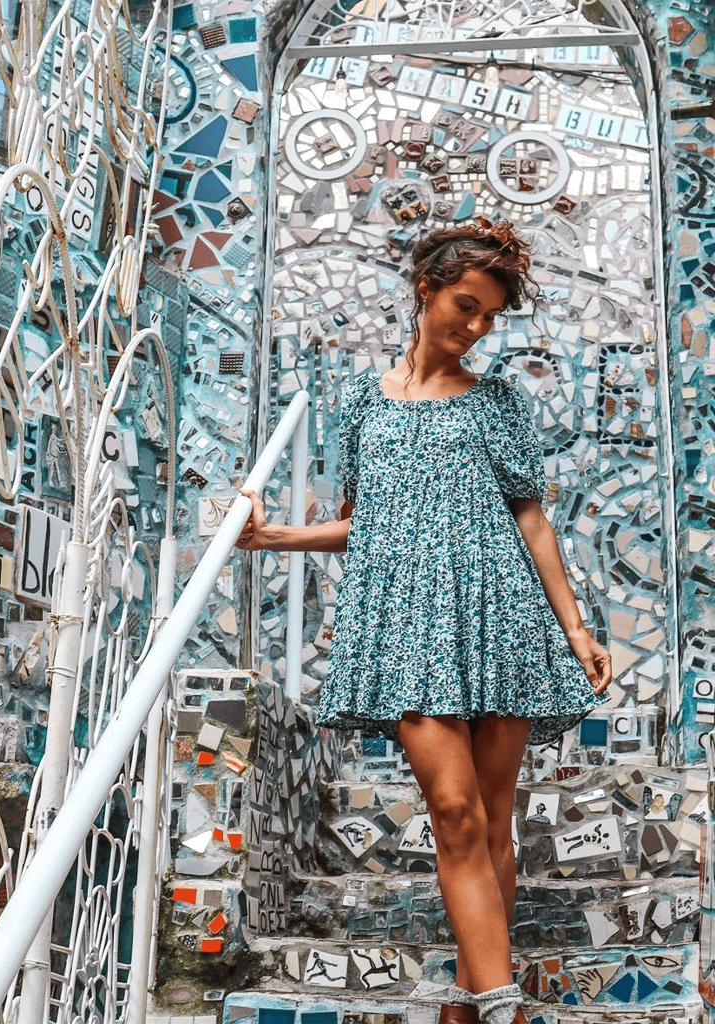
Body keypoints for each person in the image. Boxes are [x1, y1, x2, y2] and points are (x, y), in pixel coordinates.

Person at [237, 220, 612, 1024]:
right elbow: (363, 523)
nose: (475, 328)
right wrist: (271, 538)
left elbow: (531, 520)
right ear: (426, 291)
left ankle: (474, 1003)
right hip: (408, 625)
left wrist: (575, 630)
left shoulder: (498, 402)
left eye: (489, 317)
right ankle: (505, 1006)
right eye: (465, 306)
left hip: (500, 615)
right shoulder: (362, 403)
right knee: (455, 813)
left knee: (495, 821)